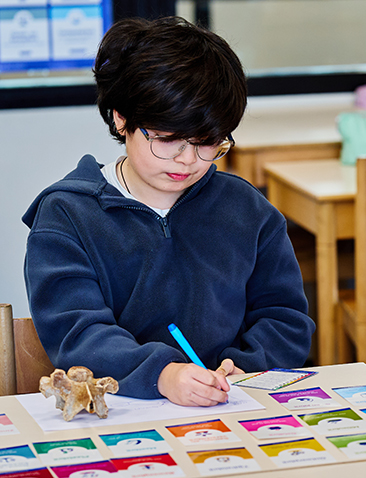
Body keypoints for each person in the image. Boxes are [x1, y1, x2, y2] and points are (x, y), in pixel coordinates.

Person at [22, 17, 315, 406]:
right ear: (121, 117)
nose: (187, 160)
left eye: (207, 143)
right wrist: (162, 374)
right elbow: (77, 332)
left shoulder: (247, 210)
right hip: (125, 410)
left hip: (235, 406)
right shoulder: (65, 217)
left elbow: (284, 316)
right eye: (168, 139)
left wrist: (250, 366)